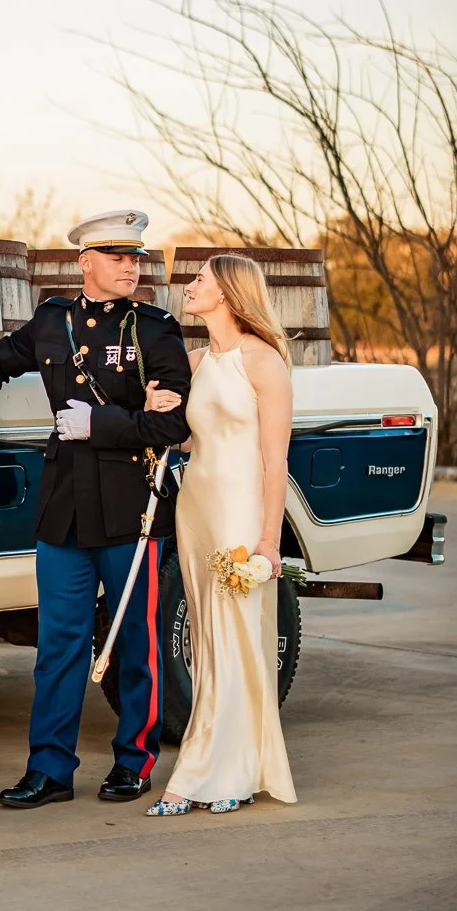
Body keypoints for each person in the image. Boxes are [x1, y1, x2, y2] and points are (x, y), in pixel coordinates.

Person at [0, 210, 191, 808]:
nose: (129, 267)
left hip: (129, 508)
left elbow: (174, 423)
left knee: (134, 644)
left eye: (135, 257)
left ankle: (135, 761)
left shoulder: (156, 329)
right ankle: (50, 769)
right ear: (84, 262)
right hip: (63, 509)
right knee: (58, 643)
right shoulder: (52, 321)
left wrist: (103, 422)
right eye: (116, 257)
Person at [141, 252, 298, 815]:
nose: (189, 286)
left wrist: (269, 541)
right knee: (206, 642)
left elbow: (274, 459)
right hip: (196, 510)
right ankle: (222, 765)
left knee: (235, 641)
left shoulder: (265, 363)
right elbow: (185, 439)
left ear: (228, 293)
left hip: (239, 513)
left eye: (199, 279)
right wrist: (153, 404)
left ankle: (207, 773)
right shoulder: (196, 360)